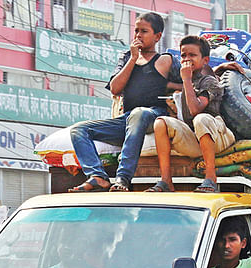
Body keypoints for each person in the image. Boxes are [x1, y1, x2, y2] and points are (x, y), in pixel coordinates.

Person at [68, 13, 180, 192]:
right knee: (79, 130)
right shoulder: (127, 57)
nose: (138, 35)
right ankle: (98, 176)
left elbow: (189, 81)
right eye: (136, 31)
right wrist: (133, 59)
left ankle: (123, 178)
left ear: (157, 36)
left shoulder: (165, 60)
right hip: (127, 119)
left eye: (144, 31)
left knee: (139, 113)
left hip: (154, 115)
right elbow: (115, 88)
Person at [147, 35, 236, 193]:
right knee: (160, 122)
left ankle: (210, 178)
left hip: (217, 136)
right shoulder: (186, 82)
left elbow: (196, 110)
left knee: (200, 119)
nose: (187, 59)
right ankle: (166, 181)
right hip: (196, 139)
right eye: (183, 55)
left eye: (192, 55)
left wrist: (186, 80)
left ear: (205, 60)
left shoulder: (208, 81)